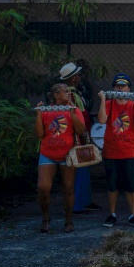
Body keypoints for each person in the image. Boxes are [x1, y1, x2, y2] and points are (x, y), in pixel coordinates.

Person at [34, 83, 87, 233]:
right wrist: (38, 115)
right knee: (43, 187)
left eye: (69, 91)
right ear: (57, 95)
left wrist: (73, 114)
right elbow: (39, 134)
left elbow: (81, 131)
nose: (69, 93)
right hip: (47, 154)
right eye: (65, 91)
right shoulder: (46, 111)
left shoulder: (74, 109)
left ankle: (69, 221)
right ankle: (45, 218)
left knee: (68, 188)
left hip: (68, 155)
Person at [97, 73, 134, 228]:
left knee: (131, 186)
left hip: (129, 151)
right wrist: (103, 99)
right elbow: (101, 120)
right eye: (117, 86)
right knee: (112, 185)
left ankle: (133, 215)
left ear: (129, 88)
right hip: (111, 151)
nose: (120, 88)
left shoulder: (132, 105)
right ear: (113, 88)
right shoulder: (109, 103)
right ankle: (112, 214)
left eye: (123, 86)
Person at [58, 62, 101, 215]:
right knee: (79, 168)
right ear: (73, 78)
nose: (80, 77)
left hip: (79, 134)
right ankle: (77, 204)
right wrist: (84, 133)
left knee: (84, 167)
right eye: (78, 75)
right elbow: (79, 116)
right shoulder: (72, 96)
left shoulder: (73, 93)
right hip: (78, 136)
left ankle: (85, 200)